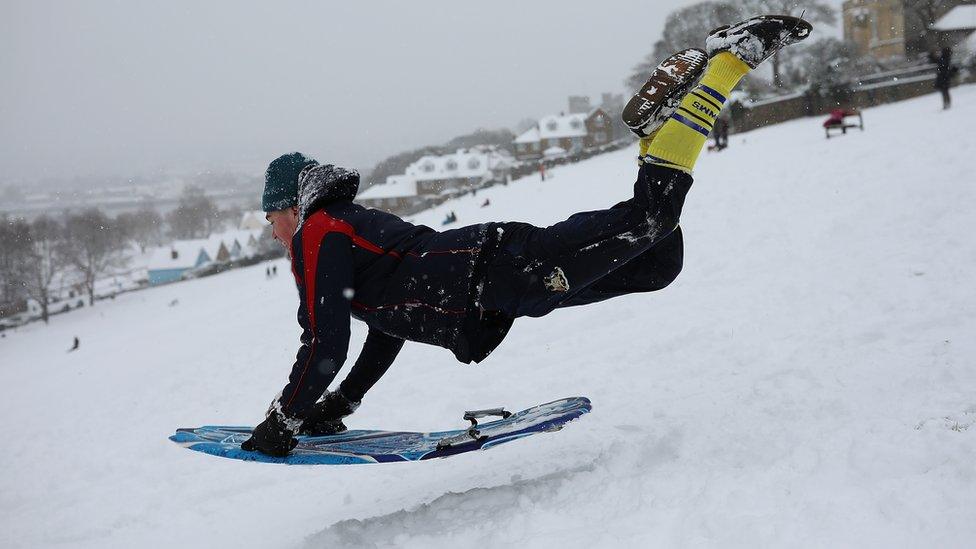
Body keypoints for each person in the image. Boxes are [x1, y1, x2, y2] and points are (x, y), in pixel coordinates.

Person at [242, 15, 812, 457]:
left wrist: (284, 419)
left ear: (290, 206)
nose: (272, 233)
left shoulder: (319, 231)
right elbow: (387, 325)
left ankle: (727, 65)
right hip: (504, 280)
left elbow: (324, 340)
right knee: (656, 263)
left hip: (502, 270)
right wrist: (341, 401)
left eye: (272, 218)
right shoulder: (343, 228)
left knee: (652, 222)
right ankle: (655, 133)